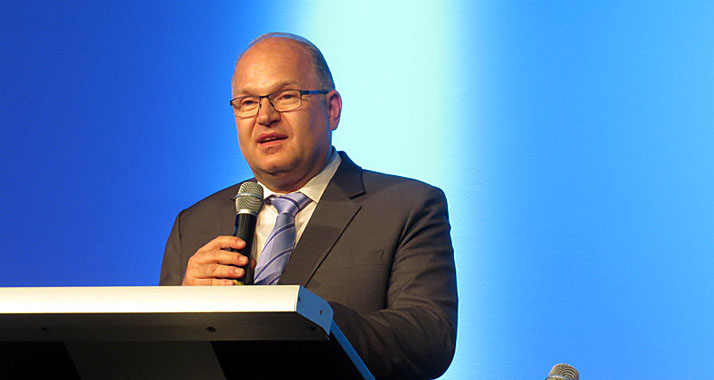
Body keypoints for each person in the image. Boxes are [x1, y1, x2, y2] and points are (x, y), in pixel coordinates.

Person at [159, 32, 457, 379]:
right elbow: (163, 359)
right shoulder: (194, 223)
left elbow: (429, 337)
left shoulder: (407, 206)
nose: (265, 116)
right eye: (247, 102)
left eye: (286, 96)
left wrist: (307, 318)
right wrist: (182, 311)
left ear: (332, 109)